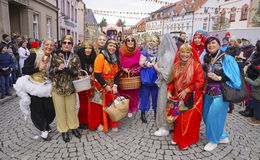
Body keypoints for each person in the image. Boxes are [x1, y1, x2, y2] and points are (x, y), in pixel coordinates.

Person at [203, 36, 241, 151]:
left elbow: (235, 79)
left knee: (213, 117)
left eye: (213, 43)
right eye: (208, 44)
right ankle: (222, 135)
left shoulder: (227, 58)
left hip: (221, 92)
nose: (210, 45)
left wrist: (219, 77)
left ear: (219, 44)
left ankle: (214, 140)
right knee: (205, 116)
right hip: (208, 92)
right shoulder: (208, 58)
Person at [14, 39, 55, 141]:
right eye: (47, 45)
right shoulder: (34, 55)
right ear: (43, 45)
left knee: (50, 109)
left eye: (51, 45)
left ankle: (46, 123)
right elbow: (25, 70)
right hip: (34, 86)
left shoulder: (52, 57)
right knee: (37, 110)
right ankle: (43, 130)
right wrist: (37, 69)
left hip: (46, 86)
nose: (49, 47)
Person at [167, 43, 204, 149]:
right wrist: (169, 91)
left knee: (188, 119)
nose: (185, 54)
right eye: (183, 52)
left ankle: (186, 140)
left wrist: (187, 90)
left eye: (187, 52)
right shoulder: (176, 65)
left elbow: (200, 82)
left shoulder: (196, 65)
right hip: (178, 97)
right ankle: (177, 137)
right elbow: (172, 82)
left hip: (192, 98)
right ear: (179, 53)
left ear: (191, 53)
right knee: (178, 118)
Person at [49, 35, 81, 142]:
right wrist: (58, 69)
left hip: (70, 88)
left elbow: (79, 72)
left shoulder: (75, 56)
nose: (67, 45)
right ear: (61, 44)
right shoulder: (55, 56)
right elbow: (49, 72)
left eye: (69, 43)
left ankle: (74, 127)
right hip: (57, 88)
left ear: (72, 45)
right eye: (65, 43)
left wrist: (72, 72)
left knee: (71, 110)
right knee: (60, 111)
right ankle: (63, 130)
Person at [93, 39, 121, 132]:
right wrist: (105, 85)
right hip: (101, 84)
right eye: (110, 45)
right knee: (99, 105)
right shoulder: (101, 56)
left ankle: (113, 123)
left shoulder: (116, 57)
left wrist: (115, 85)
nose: (112, 48)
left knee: (113, 105)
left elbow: (118, 73)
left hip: (112, 84)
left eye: (114, 46)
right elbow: (97, 74)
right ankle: (100, 123)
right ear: (106, 46)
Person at [153, 33, 177, 136]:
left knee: (163, 104)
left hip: (166, 84)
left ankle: (164, 127)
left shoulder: (167, 55)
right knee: (170, 105)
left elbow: (167, 73)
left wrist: (157, 68)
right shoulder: (173, 53)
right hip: (172, 84)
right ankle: (171, 125)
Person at [119, 35, 141, 117]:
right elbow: (117, 62)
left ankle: (131, 108)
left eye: (132, 40)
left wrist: (134, 71)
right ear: (125, 42)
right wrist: (122, 69)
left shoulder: (138, 51)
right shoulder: (120, 51)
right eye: (128, 40)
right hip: (123, 75)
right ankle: (123, 108)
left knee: (133, 94)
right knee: (123, 92)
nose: (130, 42)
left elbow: (140, 64)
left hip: (133, 76)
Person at [139, 35, 160, 123]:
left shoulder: (160, 52)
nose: (151, 42)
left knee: (156, 97)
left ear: (158, 42)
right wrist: (146, 63)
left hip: (156, 78)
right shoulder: (145, 52)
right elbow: (140, 63)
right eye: (150, 40)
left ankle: (156, 113)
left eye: (154, 41)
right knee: (144, 96)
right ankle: (143, 113)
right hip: (146, 78)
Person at [76, 40, 97, 130]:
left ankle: (90, 120)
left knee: (91, 103)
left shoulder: (94, 58)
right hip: (81, 83)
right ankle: (82, 121)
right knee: (82, 103)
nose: (88, 50)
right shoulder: (78, 58)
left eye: (90, 48)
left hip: (91, 83)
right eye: (86, 48)